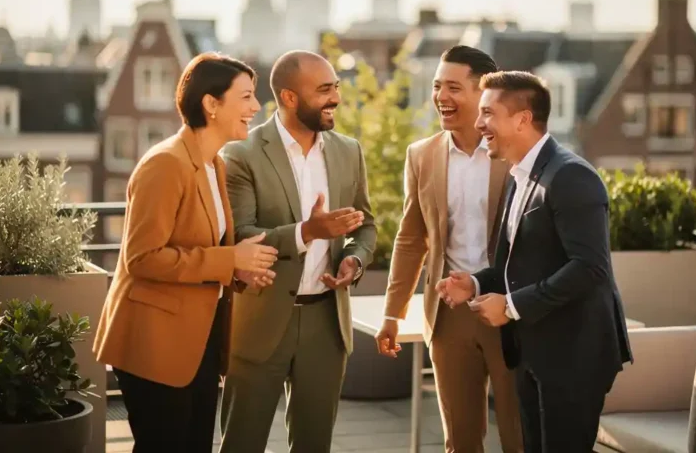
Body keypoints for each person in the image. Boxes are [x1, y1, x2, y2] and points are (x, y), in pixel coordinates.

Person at [436, 70, 632, 452]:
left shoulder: (571, 176)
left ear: (523, 119)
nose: (478, 124)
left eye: (488, 113)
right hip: (531, 350)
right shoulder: (517, 175)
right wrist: (475, 283)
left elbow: (590, 269)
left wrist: (509, 307)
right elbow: (520, 264)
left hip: (574, 354)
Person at [93, 53, 279, 453]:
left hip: (199, 341)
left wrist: (238, 270)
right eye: (245, 97)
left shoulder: (214, 164)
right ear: (211, 104)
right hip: (154, 342)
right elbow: (141, 258)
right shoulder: (165, 165)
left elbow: (202, 249)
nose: (255, 107)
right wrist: (229, 260)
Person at [219, 50, 377, 453]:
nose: (335, 98)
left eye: (335, 87)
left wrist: (354, 259)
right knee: (242, 442)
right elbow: (241, 238)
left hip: (327, 322)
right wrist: (307, 231)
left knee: (314, 445)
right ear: (289, 98)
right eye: (324, 90)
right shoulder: (240, 154)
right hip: (260, 321)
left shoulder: (348, 151)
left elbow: (366, 226)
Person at [375, 45, 522, 453]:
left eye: (454, 87)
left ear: (483, 94)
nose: (441, 96)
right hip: (449, 313)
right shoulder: (421, 155)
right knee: (459, 440)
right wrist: (393, 312)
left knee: (519, 434)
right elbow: (410, 238)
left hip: (508, 309)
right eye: (438, 86)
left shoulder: (515, 153)